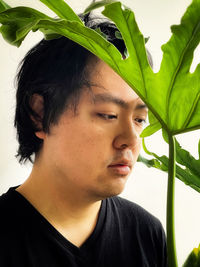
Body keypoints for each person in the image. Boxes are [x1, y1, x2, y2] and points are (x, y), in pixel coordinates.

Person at [0, 14, 167, 267]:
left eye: (140, 119)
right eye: (108, 115)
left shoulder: (147, 234)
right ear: (40, 114)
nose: (131, 140)